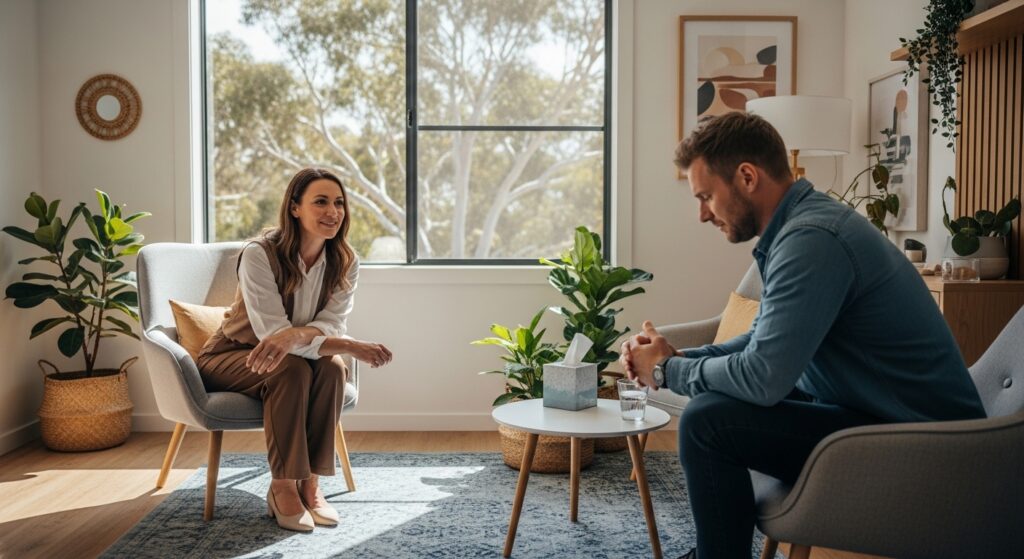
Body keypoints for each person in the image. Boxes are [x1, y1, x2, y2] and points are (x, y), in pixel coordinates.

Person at [619, 112, 985, 559]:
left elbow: (762, 377)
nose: (701, 214)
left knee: (708, 423)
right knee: (717, 410)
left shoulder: (812, 240)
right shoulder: (802, 230)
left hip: (926, 447)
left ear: (747, 177)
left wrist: (669, 369)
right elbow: (761, 343)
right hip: (876, 416)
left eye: (705, 196)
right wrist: (674, 357)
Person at [198, 168, 393, 532]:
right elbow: (272, 333)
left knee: (334, 368)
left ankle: (312, 485)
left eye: (338, 203)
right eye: (320, 202)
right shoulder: (259, 254)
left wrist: (300, 338)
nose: (333, 211)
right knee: (291, 368)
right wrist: (347, 344)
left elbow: (329, 324)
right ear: (294, 209)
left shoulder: (346, 261)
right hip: (232, 355)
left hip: (286, 356)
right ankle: (283, 485)